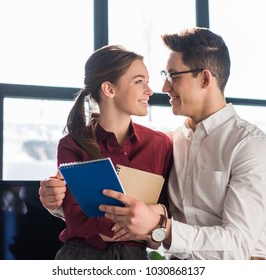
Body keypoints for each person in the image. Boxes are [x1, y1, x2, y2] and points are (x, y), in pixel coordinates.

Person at [40, 27, 266, 260]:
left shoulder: (251, 146)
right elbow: (136, 206)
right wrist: (58, 203)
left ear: (205, 78)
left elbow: (237, 246)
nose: (163, 88)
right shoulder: (172, 141)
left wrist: (161, 227)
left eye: (172, 76)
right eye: (163, 77)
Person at [42, 45, 173, 260]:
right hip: (81, 258)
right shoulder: (72, 145)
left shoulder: (159, 144)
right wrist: (138, 225)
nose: (149, 90)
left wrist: (149, 225)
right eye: (139, 81)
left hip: (136, 258)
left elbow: (165, 211)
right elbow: (76, 219)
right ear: (109, 89)